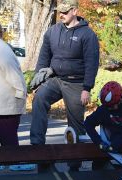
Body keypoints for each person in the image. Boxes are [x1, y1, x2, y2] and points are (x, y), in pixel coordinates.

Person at [30, 0, 99, 146]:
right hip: (56, 79)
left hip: (76, 83)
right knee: (39, 99)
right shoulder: (52, 31)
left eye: (65, 12)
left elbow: (91, 63)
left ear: (74, 11)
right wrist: (39, 79)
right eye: (60, 11)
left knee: (76, 124)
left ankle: (75, 162)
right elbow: (44, 57)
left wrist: (87, 88)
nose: (61, 15)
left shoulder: (87, 34)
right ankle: (36, 148)